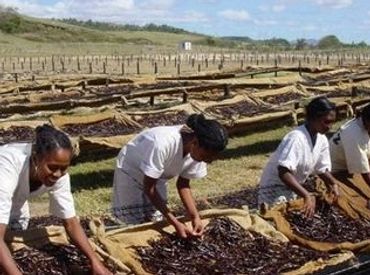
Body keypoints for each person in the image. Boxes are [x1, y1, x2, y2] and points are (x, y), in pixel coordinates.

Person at [0, 125, 111, 275]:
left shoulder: (60, 174)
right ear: (35, 157)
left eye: (64, 168)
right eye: (52, 167)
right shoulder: (6, 165)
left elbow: (71, 222)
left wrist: (94, 261)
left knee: (14, 252)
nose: (58, 174)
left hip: (14, 205)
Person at [112, 114, 228, 238]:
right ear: (195, 142)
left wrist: (195, 216)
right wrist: (174, 222)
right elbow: (149, 188)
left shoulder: (197, 152)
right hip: (130, 170)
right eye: (206, 156)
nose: (208, 161)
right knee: (131, 220)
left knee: (156, 217)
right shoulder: (163, 143)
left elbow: (183, 184)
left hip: (158, 176)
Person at [258, 97, 340, 217]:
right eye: (326, 122)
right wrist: (306, 195)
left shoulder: (321, 139)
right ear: (314, 118)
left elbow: (321, 168)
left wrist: (333, 183)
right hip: (274, 188)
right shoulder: (296, 138)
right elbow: (284, 172)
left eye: (333, 122)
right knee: (276, 218)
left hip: (293, 187)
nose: (330, 127)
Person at [330, 104, 370, 185]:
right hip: (335, 172)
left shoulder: (363, 124)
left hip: (347, 166)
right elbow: (363, 169)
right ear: (367, 120)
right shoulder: (353, 133)